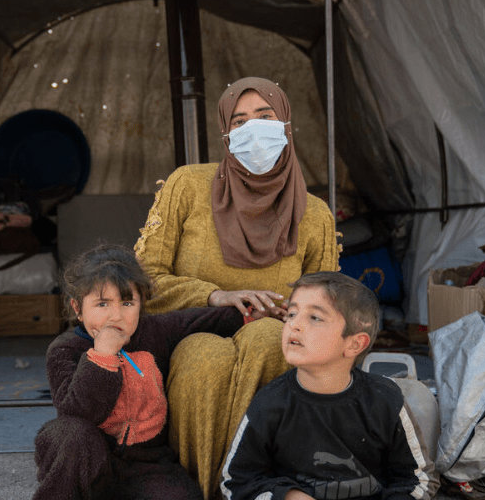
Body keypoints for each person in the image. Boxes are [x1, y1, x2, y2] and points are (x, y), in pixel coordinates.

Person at [133, 77, 340, 497]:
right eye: (240, 121)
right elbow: (143, 276)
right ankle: (200, 489)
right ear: (226, 134)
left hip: (275, 335)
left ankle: (252, 487)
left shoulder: (315, 214)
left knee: (266, 341)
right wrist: (216, 297)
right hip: (192, 327)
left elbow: (331, 301)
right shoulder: (187, 186)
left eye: (265, 117)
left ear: (286, 125)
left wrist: (295, 313)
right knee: (201, 357)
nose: (254, 130)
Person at [32, 244, 276, 500]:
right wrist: (102, 357)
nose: (116, 316)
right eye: (102, 304)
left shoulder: (154, 332)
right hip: (86, 457)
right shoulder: (64, 350)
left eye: (127, 302)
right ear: (77, 309)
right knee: (72, 435)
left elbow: (198, 320)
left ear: (141, 303)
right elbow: (76, 414)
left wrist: (248, 313)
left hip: (145, 465)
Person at [220, 271, 437, 500]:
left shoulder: (385, 401)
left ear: (354, 344)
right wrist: (287, 497)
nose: (295, 325)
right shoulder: (269, 404)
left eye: (315, 318)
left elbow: (419, 480)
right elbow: (234, 483)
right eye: (292, 313)